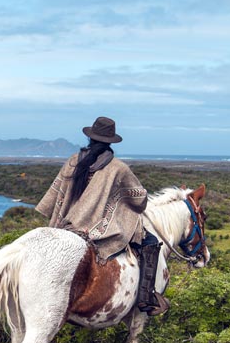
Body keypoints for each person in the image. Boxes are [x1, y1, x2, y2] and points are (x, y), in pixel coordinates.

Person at [35, 116, 167, 315]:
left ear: (91, 138)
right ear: (110, 141)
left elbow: (56, 194)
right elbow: (139, 200)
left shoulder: (73, 160)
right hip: (95, 228)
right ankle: (146, 298)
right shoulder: (118, 168)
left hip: (66, 223)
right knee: (150, 241)